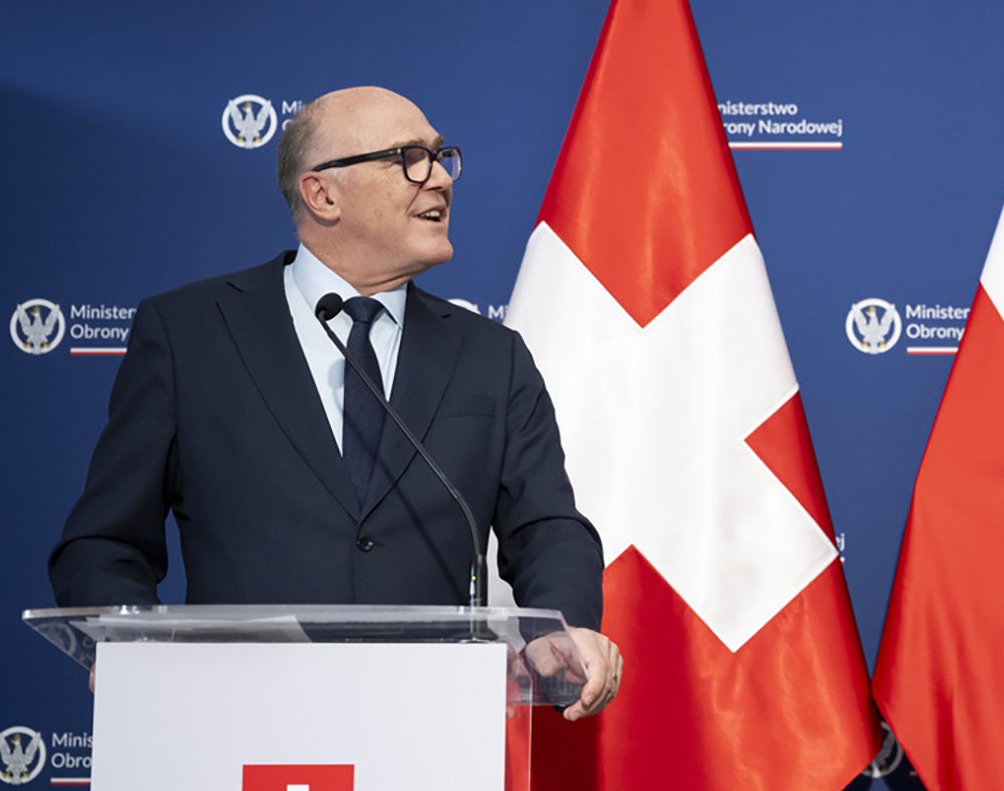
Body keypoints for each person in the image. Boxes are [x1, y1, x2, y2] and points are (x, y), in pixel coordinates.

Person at [50, 86, 620, 719]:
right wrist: (129, 649)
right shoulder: (189, 335)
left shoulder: (492, 355)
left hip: (432, 729)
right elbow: (105, 543)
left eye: (440, 156)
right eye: (408, 157)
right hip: (233, 725)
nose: (438, 179)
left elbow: (546, 528)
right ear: (322, 194)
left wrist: (559, 629)